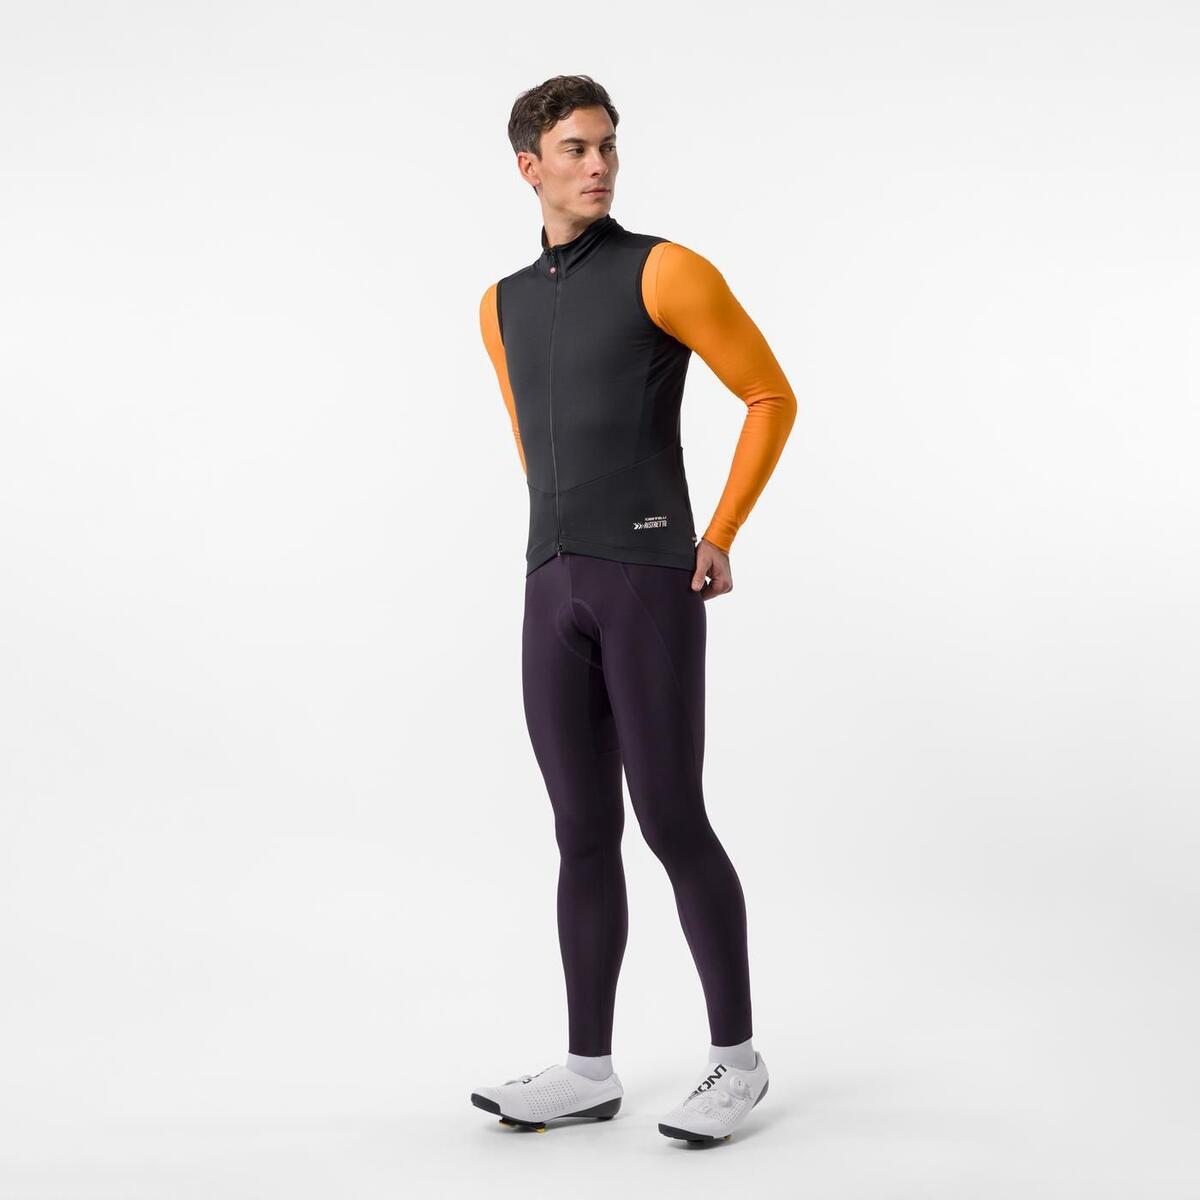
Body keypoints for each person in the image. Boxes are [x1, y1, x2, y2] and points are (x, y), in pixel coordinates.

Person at [472, 74, 797, 1143]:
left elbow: (770, 396)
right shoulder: (500, 304)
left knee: (669, 817)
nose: (599, 164)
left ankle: (736, 1062)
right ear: (530, 166)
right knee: (579, 832)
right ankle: (586, 1071)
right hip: (552, 583)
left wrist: (720, 532)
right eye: (575, 148)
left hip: (647, 578)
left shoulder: (665, 269)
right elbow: (532, 438)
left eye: (608, 145)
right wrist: (556, 541)